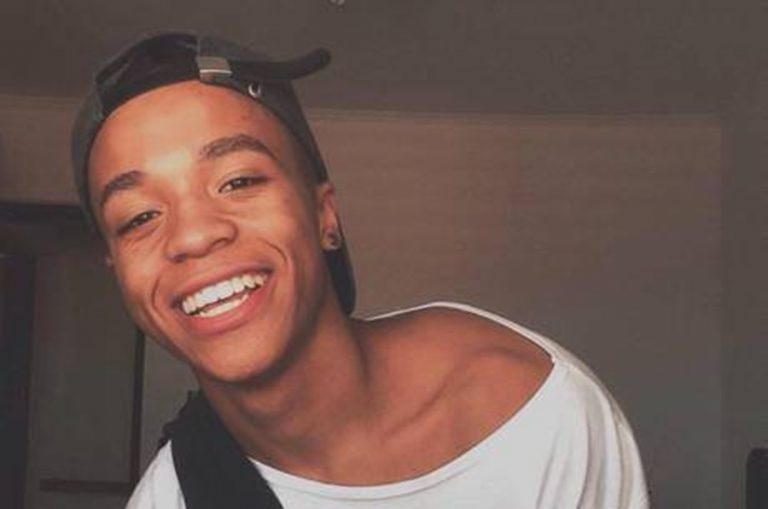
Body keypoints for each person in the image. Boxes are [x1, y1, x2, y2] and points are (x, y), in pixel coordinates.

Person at [71, 32, 649, 509]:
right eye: (138, 217)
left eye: (238, 181)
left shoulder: (535, 416)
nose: (194, 235)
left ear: (324, 214)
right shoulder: (173, 498)